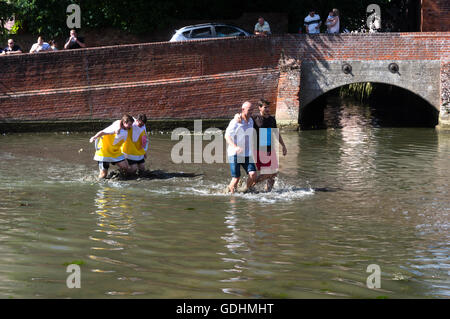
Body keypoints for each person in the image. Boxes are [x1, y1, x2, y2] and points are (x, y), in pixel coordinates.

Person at [235, 99, 288, 192]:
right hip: (259, 149)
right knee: (269, 172)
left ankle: (268, 191)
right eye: (265, 107)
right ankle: (247, 186)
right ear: (260, 108)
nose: (267, 109)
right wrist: (237, 116)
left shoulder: (272, 119)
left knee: (274, 174)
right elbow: (243, 116)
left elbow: (276, 133)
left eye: (268, 107)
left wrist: (283, 145)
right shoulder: (254, 118)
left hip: (270, 148)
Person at [224, 101, 258, 194]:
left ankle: (245, 189)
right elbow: (227, 136)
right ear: (243, 109)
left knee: (253, 174)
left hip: (246, 153)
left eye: (252, 110)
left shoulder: (251, 120)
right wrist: (235, 147)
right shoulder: (236, 121)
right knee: (236, 178)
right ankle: (229, 194)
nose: (251, 111)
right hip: (234, 153)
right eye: (249, 110)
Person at [89, 114, 134, 178]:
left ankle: (117, 177)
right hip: (104, 152)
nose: (131, 126)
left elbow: (121, 121)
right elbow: (102, 132)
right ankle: (100, 183)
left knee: (126, 168)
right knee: (103, 175)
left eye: (131, 124)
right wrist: (94, 137)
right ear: (124, 122)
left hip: (115, 152)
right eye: (129, 124)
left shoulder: (123, 126)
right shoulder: (115, 129)